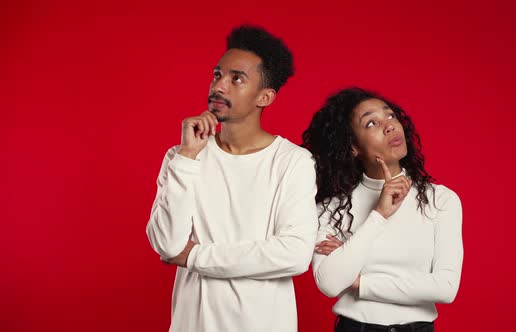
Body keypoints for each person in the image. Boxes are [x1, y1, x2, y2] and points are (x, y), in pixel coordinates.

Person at [146, 25, 318, 332]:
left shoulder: (293, 162)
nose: (219, 86)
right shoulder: (182, 156)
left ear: (265, 97)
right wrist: (188, 156)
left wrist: (197, 256)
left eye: (236, 78)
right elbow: (168, 245)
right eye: (217, 75)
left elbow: (294, 254)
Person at [302, 87, 463, 332]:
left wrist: (360, 283)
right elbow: (330, 284)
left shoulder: (441, 200)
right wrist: (378, 215)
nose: (389, 126)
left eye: (390, 116)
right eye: (371, 123)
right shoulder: (332, 207)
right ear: (352, 146)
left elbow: (446, 287)